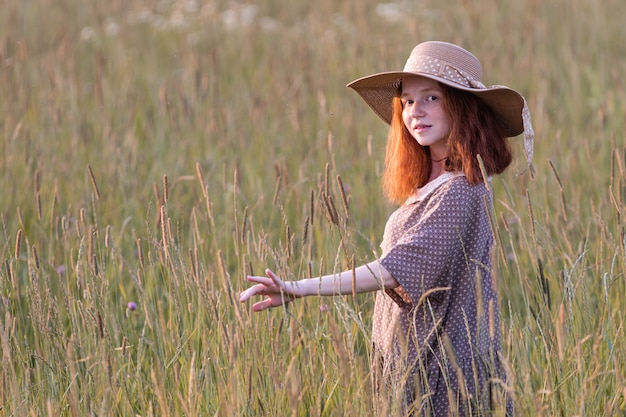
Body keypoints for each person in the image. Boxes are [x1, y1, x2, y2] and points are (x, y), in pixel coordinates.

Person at [239, 41, 534, 416]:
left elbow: (393, 272)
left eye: (431, 98)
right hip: (415, 363)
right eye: (408, 101)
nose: (416, 112)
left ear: (462, 105)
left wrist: (299, 288)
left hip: (448, 374)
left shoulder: (462, 189)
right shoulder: (431, 183)